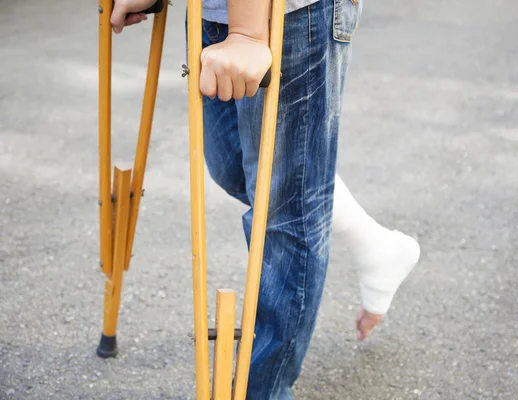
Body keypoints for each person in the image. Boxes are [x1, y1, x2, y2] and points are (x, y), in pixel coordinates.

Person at [111, 0, 420, 398]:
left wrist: (248, 33)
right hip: (213, 11)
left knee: (285, 210)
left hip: (287, 15)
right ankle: (376, 246)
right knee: (237, 165)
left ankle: (264, 392)